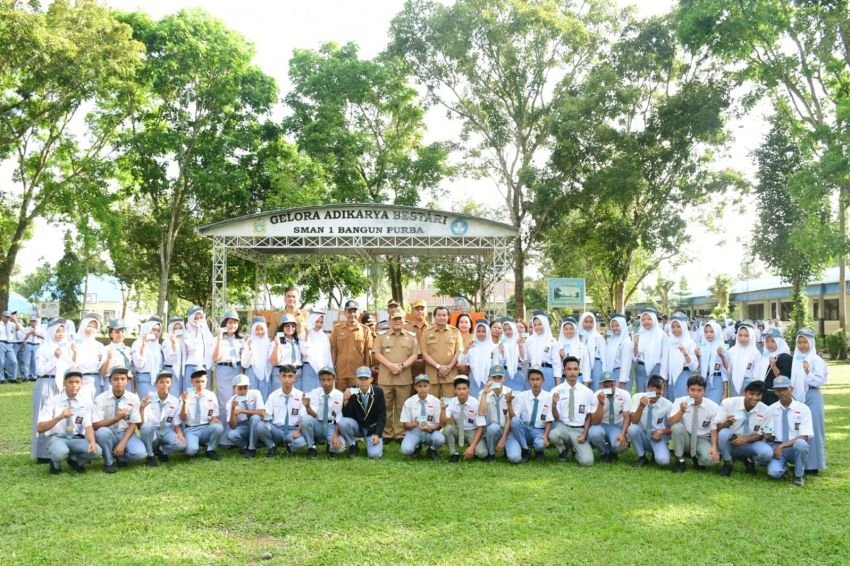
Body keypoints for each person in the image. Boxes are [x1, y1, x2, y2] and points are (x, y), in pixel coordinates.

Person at [37, 369, 102, 474]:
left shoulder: (85, 402)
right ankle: (55, 463)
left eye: (77, 382)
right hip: (58, 438)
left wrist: (92, 442)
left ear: (81, 384)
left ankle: (76, 461)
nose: (74, 385)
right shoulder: (52, 401)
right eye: (70, 382)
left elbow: (88, 426)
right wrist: (59, 417)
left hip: (76, 438)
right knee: (60, 453)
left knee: (97, 452)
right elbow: (40, 428)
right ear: (64, 383)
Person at [373, 311, 419, 441]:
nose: (397, 321)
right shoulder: (381, 336)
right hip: (386, 378)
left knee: (402, 407)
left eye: (400, 319)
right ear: (389, 321)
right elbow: (377, 353)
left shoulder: (411, 337)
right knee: (385, 407)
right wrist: (390, 366)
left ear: (404, 321)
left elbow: (415, 355)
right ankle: (386, 433)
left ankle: (400, 433)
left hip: (403, 377)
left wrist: (402, 366)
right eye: (394, 319)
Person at [31, 318, 72, 461]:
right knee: (44, 415)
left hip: (61, 385)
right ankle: (42, 453)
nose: (60, 334)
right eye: (57, 331)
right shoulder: (43, 348)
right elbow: (40, 370)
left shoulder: (66, 348)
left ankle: (59, 449)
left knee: (60, 416)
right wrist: (55, 358)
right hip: (46, 383)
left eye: (62, 331)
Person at [92, 366, 147, 473]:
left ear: (127, 381)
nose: (119, 382)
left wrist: (123, 443)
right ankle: (109, 462)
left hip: (124, 432)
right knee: (102, 432)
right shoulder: (100, 399)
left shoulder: (133, 398)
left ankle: (119, 456)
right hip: (108, 433)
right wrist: (116, 419)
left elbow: (134, 423)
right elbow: (96, 425)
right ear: (110, 381)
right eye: (116, 379)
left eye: (123, 379)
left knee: (140, 454)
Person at [714, 380, 773, 477]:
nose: (755, 398)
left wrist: (745, 439)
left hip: (750, 443)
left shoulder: (766, 410)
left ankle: (750, 461)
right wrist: (727, 423)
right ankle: (728, 462)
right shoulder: (728, 403)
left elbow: (761, 435)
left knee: (767, 453)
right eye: (752, 394)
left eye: (758, 395)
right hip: (731, 442)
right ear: (745, 392)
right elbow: (717, 427)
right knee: (724, 433)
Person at [790, 327, 827, 476]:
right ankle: (800, 462)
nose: (802, 345)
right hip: (797, 397)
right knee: (799, 428)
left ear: (811, 343)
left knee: (814, 430)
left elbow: (819, 381)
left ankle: (813, 465)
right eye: (799, 342)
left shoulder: (816, 360)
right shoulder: (796, 359)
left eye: (805, 342)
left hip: (812, 395)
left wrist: (807, 372)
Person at [765, 375, 812, 486]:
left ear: (791, 389)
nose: (782, 393)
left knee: (801, 444)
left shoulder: (803, 409)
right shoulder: (770, 409)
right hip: (777, 447)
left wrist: (782, 446)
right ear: (774, 392)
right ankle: (784, 468)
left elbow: (804, 436)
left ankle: (798, 474)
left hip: (794, 447)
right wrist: (768, 436)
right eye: (778, 390)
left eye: (785, 389)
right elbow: (768, 432)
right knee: (773, 473)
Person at [549, 356, 596, 467]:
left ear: (579, 370)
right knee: (553, 435)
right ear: (563, 371)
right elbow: (556, 418)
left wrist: (584, 434)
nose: (572, 372)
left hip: (579, 430)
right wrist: (554, 404)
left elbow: (588, 416)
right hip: (563, 427)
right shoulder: (556, 390)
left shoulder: (587, 392)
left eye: (575, 369)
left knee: (587, 462)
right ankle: (563, 450)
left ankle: (575, 450)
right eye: (569, 369)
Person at [669, 374, 720, 473]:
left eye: (699, 390)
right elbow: (671, 422)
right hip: (686, 437)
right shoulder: (679, 401)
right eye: (692, 390)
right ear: (687, 390)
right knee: (676, 427)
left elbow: (714, 429)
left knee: (711, 460)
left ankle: (697, 458)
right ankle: (680, 460)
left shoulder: (713, 406)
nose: (696, 393)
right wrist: (681, 411)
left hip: (702, 438)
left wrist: (714, 447)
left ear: (704, 391)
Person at [256, 364, 308, 457]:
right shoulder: (273, 396)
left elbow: (303, 417)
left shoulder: (301, 395)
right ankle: (271, 446)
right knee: (260, 426)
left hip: (293, 430)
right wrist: (264, 416)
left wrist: (299, 431)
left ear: (295, 378)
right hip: (277, 429)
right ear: (280, 377)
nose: (287, 379)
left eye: (290, 376)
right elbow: (268, 414)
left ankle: (290, 448)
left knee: (302, 442)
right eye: (284, 376)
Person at [505, 365, 553, 463]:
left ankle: (538, 451)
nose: (535, 382)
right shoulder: (521, 396)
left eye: (538, 379)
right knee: (514, 458)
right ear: (528, 381)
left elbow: (549, 419)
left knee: (540, 444)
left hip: (538, 430)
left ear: (543, 381)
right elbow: (514, 418)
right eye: (532, 379)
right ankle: (525, 448)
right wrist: (509, 403)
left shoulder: (548, 396)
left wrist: (545, 435)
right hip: (524, 429)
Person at [139, 370, 186, 466]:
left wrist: (179, 432)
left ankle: (162, 450)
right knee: (147, 427)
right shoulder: (148, 399)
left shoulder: (174, 401)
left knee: (182, 444)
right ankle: (150, 455)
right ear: (156, 384)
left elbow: (176, 424)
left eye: (167, 382)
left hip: (167, 429)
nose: (165, 385)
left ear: (171, 384)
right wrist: (142, 408)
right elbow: (143, 425)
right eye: (161, 382)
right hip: (153, 430)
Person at [338, 366, 386, 459]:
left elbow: (382, 415)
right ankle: (353, 445)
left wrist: (377, 433)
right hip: (357, 426)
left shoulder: (378, 391)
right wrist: (345, 401)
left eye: (366, 378)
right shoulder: (351, 391)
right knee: (343, 422)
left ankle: (377, 441)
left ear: (371, 379)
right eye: (360, 378)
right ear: (356, 380)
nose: (363, 381)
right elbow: (347, 415)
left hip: (371, 428)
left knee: (374, 455)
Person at [628, 375, 672, 468]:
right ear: (647, 387)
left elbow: (673, 428)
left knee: (663, 461)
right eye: (653, 393)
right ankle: (642, 457)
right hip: (642, 433)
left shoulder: (668, 404)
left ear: (663, 391)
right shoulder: (637, 397)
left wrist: (661, 432)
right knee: (632, 429)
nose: (655, 396)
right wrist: (641, 406)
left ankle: (657, 451)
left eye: (659, 393)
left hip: (658, 436)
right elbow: (634, 421)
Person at [180, 367, 224, 460]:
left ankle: (210, 449)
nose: (200, 384)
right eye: (197, 381)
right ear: (191, 382)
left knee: (218, 427)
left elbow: (213, 414)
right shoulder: (185, 396)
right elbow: (183, 418)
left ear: (206, 381)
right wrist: (184, 403)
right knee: (191, 452)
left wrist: (215, 419)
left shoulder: (211, 395)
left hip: (205, 428)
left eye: (203, 381)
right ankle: (196, 445)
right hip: (191, 429)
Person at [301, 366, 346, 458]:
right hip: (318, 423)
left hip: (332, 426)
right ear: (319, 380)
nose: (326, 383)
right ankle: (312, 446)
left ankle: (330, 444)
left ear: (334, 379)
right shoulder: (314, 392)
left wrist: (335, 435)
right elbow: (314, 414)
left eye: (329, 379)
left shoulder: (340, 395)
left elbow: (339, 419)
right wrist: (308, 407)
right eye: (323, 380)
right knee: (305, 419)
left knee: (339, 449)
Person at [588, 372, 632, 462]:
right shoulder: (596, 395)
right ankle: (604, 452)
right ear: (601, 385)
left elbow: (627, 417)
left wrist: (623, 434)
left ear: (615, 382)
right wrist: (601, 404)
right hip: (601, 424)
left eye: (611, 384)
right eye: (606, 385)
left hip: (617, 425)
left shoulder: (624, 394)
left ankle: (613, 451)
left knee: (620, 446)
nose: (609, 387)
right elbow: (595, 421)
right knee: (594, 433)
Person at [399, 374, 446, 459]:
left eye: (425, 386)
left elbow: (439, 424)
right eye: (419, 386)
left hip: (430, 431)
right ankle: (417, 446)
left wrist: (430, 428)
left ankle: (432, 449)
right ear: (415, 387)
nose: (422, 389)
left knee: (440, 439)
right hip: (415, 431)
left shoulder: (436, 401)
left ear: (429, 386)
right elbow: (405, 425)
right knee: (406, 450)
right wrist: (414, 424)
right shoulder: (409, 402)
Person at [420, 306, 463, 399]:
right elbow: (424, 354)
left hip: (450, 374)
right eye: (439, 315)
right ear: (434, 317)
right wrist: (438, 367)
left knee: (449, 403)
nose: (441, 317)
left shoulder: (455, 331)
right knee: (431, 403)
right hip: (432, 375)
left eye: (444, 315)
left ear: (448, 317)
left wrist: (448, 367)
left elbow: (459, 352)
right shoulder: (426, 332)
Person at [330, 300, 373, 391]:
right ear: (345, 313)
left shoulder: (365, 330)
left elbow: (367, 353)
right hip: (341, 372)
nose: (352, 314)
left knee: (356, 397)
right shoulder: (337, 329)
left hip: (358, 373)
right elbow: (334, 350)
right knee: (340, 397)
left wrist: (367, 372)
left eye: (354, 311)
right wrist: (332, 369)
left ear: (359, 313)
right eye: (349, 311)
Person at [442, 375, 486, 462]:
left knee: (482, 454)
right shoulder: (451, 401)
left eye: (464, 389)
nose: (462, 391)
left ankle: (472, 447)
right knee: (447, 429)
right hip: (458, 430)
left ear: (469, 390)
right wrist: (442, 409)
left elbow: (481, 427)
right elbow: (444, 422)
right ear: (454, 390)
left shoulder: (475, 403)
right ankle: (454, 453)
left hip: (472, 431)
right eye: (459, 389)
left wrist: (472, 447)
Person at [477, 365, 514, 462]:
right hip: (491, 430)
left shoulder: (510, 392)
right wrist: (485, 393)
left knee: (514, 457)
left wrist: (503, 438)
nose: (497, 380)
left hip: (507, 429)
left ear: (504, 379)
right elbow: (481, 412)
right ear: (489, 378)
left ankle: (506, 447)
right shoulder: (483, 393)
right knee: (493, 428)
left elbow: (510, 418)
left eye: (499, 377)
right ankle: (491, 453)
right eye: (494, 378)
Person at [633, 308, 668, 393]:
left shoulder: (662, 335)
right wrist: (636, 344)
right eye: (643, 319)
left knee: (653, 395)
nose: (646, 321)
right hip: (641, 369)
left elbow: (665, 356)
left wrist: (662, 375)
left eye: (649, 319)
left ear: (654, 320)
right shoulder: (639, 334)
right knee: (641, 395)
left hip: (656, 369)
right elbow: (635, 356)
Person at [666, 312, 699, 401]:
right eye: (673, 327)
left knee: (683, 402)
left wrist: (685, 353)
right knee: (671, 401)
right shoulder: (669, 341)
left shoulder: (690, 342)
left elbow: (694, 367)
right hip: (670, 377)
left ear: (683, 327)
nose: (675, 329)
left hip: (684, 375)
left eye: (678, 326)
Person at [300, 309, 333, 396]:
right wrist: (307, 335)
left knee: (320, 395)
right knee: (308, 395)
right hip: (308, 369)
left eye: (321, 322)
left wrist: (330, 371)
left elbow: (328, 356)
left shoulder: (324, 337)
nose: (319, 324)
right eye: (317, 321)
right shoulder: (304, 334)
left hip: (322, 371)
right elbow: (305, 352)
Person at [241, 316, 275, 401]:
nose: (259, 332)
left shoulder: (269, 343)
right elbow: (244, 364)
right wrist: (249, 349)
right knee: (251, 399)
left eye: (262, 329)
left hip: (266, 374)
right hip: (252, 374)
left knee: (265, 398)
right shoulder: (248, 342)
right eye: (257, 329)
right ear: (253, 330)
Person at [525, 314, 561, 391]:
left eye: (539, 324)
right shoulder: (529, 340)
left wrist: (558, 386)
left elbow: (557, 364)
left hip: (547, 372)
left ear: (545, 324)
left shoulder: (552, 341)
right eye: (535, 325)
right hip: (532, 372)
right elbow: (526, 359)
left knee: (547, 397)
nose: (537, 327)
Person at [696, 320, 729, 403]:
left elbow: (726, 371)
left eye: (711, 332)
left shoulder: (722, 348)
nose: (708, 334)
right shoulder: (702, 347)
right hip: (704, 381)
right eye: (706, 332)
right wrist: (697, 356)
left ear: (717, 332)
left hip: (717, 380)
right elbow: (697, 368)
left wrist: (725, 391)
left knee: (715, 406)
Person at [132, 317, 164, 399]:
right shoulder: (138, 343)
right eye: (153, 329)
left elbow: (160, 365)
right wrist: (143, 346)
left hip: (157, 380)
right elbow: (139, 364)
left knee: (155, 404)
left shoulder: (158, 346)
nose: (156, 333)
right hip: (143, 379)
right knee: (147, 403)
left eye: (158, 331)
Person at [75, 314, 104, 401]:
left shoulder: (99, 345)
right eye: (89, 326)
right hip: (79, 379)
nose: (91, 329)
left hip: (95, 380)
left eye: (94, 327)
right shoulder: (75, 343)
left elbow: (100, 362)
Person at [184, 306, 214, 390]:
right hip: (192, 366)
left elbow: (211, 351)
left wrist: (212, 369)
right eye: (196, 318)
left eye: (201, 318)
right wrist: (198, 330)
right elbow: (193, 347)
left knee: (204, 392)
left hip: (205, 367)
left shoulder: (207, 333)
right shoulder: (187, 333)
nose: (199, 320)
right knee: (191, 392)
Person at [726, 322, 760, 397]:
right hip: (734, 382)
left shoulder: (755, 353)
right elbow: (728, 369)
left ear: (751, 336)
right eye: (740, 335)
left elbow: (756, 373)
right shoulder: (731, 351)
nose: (742, 338)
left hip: (749, 384)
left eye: (746, 336)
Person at [101, 319, 134, 396]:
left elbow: (131, 371)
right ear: (111, 334)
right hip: (111, 383)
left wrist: (133, 388)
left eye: (122, 331)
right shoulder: (105, 349)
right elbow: (103, 372)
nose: (120, 334)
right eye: (117, 332)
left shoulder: (129, 350)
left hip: (127, 383)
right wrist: (109, 359)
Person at [465, 320, 497, 398]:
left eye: (483, 331)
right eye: (478, 331)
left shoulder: (493, 347)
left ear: (487, 332)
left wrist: (492, 379)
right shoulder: (471, 347)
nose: (481, 334)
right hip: (473, 378)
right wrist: (466, 349)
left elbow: (495, 364)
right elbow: (461, 361)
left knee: (488, 401)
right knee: (474, 400)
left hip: (489, 379)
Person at [557, 318, 591, 388]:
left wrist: (586, 383)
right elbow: (556, 366)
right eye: (566, 329)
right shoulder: (557, 345)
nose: (568, 331)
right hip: (563, 379)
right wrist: (560, 356)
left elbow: (586, 366)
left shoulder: (582, 346)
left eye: (571, 329)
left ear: (575, 329)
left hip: (579, 378)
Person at [579, 311, 607, 390]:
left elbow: (603, 356)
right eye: (586, 322)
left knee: (596, 388)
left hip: (596, 365)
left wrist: (604, 373)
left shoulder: (598, 337)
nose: (588, 324)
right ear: (582, 322)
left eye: (591, 322)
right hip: (582, 365)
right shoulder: (579, 337)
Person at [161, 316, 188, 397]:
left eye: (180, 328)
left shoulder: (184, 340)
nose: (178, 330)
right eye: (175, 328)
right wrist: (173, 344)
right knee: (173, 396)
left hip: (182, 371)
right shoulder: (167, 341)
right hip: (171, 370)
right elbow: (169, 359)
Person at [605, 314, 633, 390]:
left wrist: (622, 382)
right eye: (612, 326)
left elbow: (626, 363)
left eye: (617, 325)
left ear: (622, 326)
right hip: (611, 374)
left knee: (620, 396)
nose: (614, 328)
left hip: (621, 375)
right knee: (609, 395)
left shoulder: (626, 342)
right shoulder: (612, 340)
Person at [404, 299, 431, 376]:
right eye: (417, 309)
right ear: (412, 312)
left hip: (429, 366)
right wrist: (412, 361)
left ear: (426, 312)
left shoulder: (432, 328)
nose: (420, 311)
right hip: (410, 367)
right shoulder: (405, 328)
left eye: (422, 309)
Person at [498, 319, 526, 392]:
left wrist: (520, 346)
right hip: (505, 375)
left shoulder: (520, 342)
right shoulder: (501, 343)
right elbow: (500, 362)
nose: (507, 331)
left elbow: (523, 359)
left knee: (518, 396)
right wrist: (501, 351)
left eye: (510, 329)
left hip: (518, 374)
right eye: (505, 330)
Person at [19, 317, 44, 382]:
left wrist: (37, 334)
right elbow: (23, 338)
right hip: (28, 344)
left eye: (34, 321)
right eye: (32, 321)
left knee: (35, 361)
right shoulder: (26, 329)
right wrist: (29, 333)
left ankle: (34, 376)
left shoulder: (40, 329)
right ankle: (25, 376)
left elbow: (44, 337)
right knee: (26, 361)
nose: (33, 323)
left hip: (36, 345)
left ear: (36, 322)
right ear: (30, 322)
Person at [0, 310, 20, 383]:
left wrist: (15, 321)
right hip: (1, 343)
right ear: (2, 317)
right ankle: (1, 379)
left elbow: (18, 329)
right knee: (1, 362)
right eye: (5, 317)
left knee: (14, 361)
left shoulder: (12, 324)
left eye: (8, 317)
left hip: (10, 344)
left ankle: (13, 378)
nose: (7, 318)